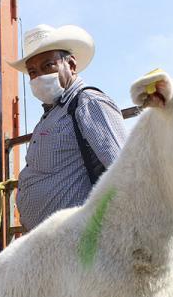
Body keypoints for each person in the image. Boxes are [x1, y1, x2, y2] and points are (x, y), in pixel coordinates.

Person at [7, 24, 127, 232]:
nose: (39, 78)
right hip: (50, 244)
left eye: (48, 66)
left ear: (71, 65)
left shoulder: (88, 102)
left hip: (79, 242)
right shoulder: (51, 114)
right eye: (32, 72)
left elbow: (124, 171)